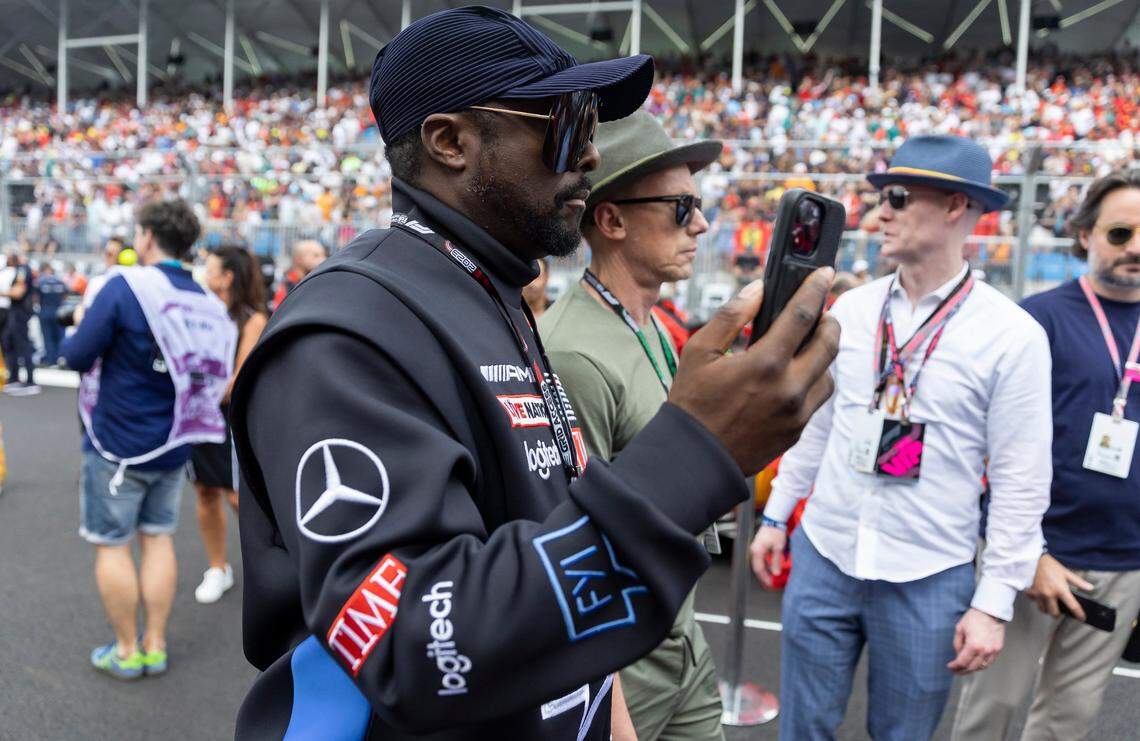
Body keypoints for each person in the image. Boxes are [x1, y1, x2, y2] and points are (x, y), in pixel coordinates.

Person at [227, 7, 839, 739]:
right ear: (450, 142)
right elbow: (417, 648)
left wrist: (608, 716)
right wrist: (696, 452)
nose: (592, 155)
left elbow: (544, 531)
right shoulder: (346, 331)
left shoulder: (488, 290)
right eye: (568, 125)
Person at [749, 135, 1053, 740]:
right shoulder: (852, 311)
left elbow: (1021, 480)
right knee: (802, 730)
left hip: (928, 573)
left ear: (955, 206)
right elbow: (818, 424)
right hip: (826, 551)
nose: (878, 212)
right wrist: (777, 516)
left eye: (896, 197)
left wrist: (993, 602)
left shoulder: (1012, 336)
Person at [539, 109, 724, 740]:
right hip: (625, 663)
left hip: (680, 637)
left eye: (699, 205)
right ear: (612, 221)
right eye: (680, 207)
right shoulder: (573, 351)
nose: (700, 224)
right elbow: (573, 549)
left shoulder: (647, 325)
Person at [952, 169, 1140, 741]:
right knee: (991, 707)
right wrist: (1025, 553)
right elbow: (988, 444)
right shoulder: (1035, 318)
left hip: (1123, 561)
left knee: (1069, 719)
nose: (1135, 248)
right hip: (1032, 551)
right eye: (1120, 233)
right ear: (1084, 235)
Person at [61, 200, 237, 680]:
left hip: (117, 441)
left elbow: (76, 356)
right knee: (158, 539)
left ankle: (126, 650)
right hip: (176, 440)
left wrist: (78, 323)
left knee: (112, 544)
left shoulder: (126, 286)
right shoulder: (206, 302)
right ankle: (155, 645)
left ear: (146, 236)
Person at [188, 245, 269, 604]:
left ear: (227, 277)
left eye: (210, 268)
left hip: (233, 420)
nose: (204, 274)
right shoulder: (199, 312)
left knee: (240, 498)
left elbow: (236, 382)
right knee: (205, 492)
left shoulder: (253, 320)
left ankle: (275, 566)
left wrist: (195, 387)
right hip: (200, 417)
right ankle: (218, 568)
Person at [2, 252, 38, 395]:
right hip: (15, 311)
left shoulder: (23, 269)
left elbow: (18, 292)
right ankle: (14, 377)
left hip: (20, 312)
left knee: (23, 344)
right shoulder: (19, 269)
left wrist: (3, 293)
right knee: (9, 342)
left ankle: (30, 381)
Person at [271, 239, 327, 309]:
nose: (323, 259)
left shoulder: (317, 280)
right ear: (298, 259)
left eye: (324, 255)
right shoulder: (285, 286)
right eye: (316, 256)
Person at [35, 263, 68, 367]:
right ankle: (60, 359)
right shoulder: (60, 281)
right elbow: (65, 295)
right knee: (60, 336)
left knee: (48, 337)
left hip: (45, 310)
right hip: (58, 311)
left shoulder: (40, 282)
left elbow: (36, 297)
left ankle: (51, 361)